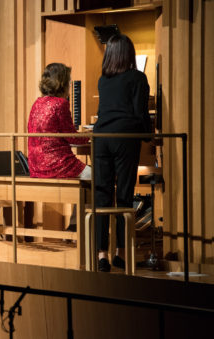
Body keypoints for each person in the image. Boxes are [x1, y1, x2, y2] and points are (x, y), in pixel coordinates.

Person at [93, 34, 151, 272]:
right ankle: (121, 254)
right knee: (124, 195)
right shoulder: (138, 78)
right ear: (129, 54)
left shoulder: (102, 80)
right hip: (124, 138)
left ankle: (101, 256)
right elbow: (140, 114)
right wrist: (149, 134)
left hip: (100, 138)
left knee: (102, 196)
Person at [27, 63, 90, 231]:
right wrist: (92, 134)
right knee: (96, 177)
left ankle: (75, 225)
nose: (70, 85)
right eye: (69, 81)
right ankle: (82, 228)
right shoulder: (60, 104)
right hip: (57, 165)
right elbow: (73, 138)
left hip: (35, 166)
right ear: (62, 82)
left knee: (88, 178)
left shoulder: (37, 103)